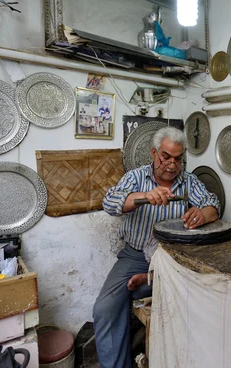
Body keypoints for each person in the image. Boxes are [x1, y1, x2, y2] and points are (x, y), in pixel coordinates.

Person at [93, 127, 220, 368]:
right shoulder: (137, 177)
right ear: (153, 153)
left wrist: (202, 214)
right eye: (165, 156)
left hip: (172, 256)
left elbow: (213, 205)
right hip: (136, 255)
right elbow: (109, 202)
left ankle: (150, 280)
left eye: (177, 159)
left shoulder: (188, 181)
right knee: (105, 308)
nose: (171, 164)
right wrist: (143, 197)